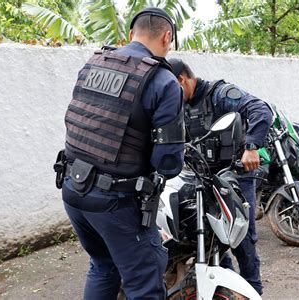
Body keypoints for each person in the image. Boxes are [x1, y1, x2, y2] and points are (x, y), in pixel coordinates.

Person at [60, 7, 184, 299]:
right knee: (145, 281)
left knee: (103, 267)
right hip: (115, 202)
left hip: (72, 190)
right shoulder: (163, 81)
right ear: (167, 37)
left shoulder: (93, 63)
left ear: (131, 34)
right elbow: (167, 163)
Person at [168, 58, 273, 295]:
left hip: (235, 177)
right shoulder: (179, 104)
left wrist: (252, 145)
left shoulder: (220, 93)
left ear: (182, 79)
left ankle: (253, 291)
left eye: (169, 86)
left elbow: (260, 109)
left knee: (242, 240)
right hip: (201, 178)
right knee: (210, 238)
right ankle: (221, 288)